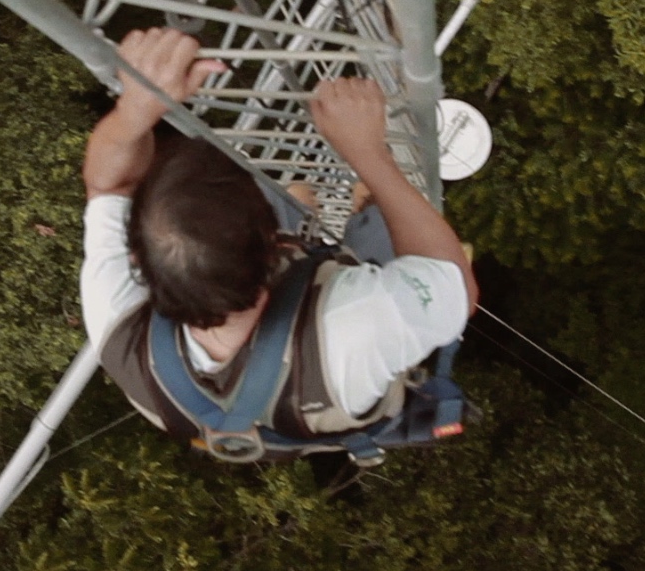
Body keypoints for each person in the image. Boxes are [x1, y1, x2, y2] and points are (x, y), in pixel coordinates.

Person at [80, 27, 479, 468]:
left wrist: (134, 110)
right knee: (383, 206)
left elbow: (109, 181)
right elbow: (453, 282)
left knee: (298, 196)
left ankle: (319, 199)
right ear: (276, 246)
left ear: (137, 260)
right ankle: (351, 200)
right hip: (334, 348)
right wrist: (368, 153)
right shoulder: (360, 323)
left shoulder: (122, 331)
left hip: (302, 338)